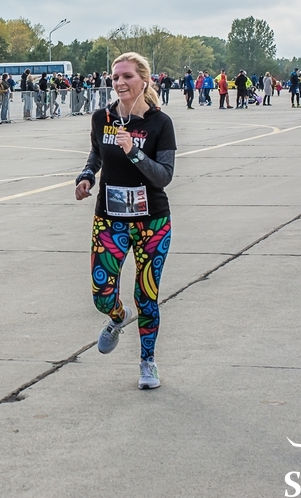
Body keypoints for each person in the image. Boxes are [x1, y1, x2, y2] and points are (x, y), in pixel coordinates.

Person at [75, 52, 176, 390]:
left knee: (146, 296)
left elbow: (163, 176)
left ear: (144, 81)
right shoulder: (102, 118)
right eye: (115, 77)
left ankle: (148, 362)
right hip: (110, 221)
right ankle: (118, 317)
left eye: (127, 76)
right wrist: (87, 175)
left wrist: (134, 151)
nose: (119, 82)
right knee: (102, 296)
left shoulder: (160, 123)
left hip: (152, 224)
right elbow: (96, 153)